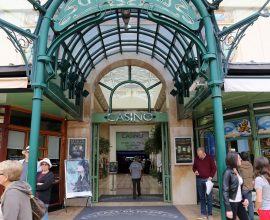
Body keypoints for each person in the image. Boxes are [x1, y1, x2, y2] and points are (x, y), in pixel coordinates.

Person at [223, 152, 249, 220]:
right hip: (232, 203)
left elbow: (240, 188)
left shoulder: (237, 170)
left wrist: (245, 198)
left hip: (240, 202)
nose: (241, 160)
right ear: (233, 160)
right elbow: (225, 191)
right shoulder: (227, 172)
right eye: (239, 158)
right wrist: (228, 209)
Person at [192, 147, 216, 220]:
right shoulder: (197, 158)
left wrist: (211, 177)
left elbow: (214, 168)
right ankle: (203, 214)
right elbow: (194, 167)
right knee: (202, 197)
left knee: (209, 198)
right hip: (199, 180)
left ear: (203, 153)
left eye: (200, 155)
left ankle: (210, 214)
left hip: (208, 180)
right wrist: (195, 171)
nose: (199, 156)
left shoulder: (209, 158)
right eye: (198, 155)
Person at [239, 151, 254, 220]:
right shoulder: (250, 165)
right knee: (250, 204)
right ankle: (251, 218)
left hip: (243, 188)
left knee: (242, 204)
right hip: (250, 187)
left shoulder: (240, 165)